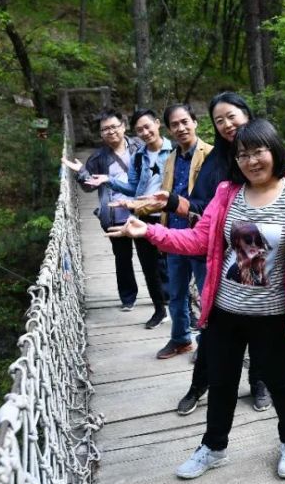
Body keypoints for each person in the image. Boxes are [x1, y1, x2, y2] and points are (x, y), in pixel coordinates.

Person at [108, 119, 285, 481]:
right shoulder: (227, 194)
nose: (251, 161)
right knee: (221, 382)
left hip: (273, 314)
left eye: (258, 152)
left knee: (281, 383)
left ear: (275, 151)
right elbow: (197, 241)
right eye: (243, 154)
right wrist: (151, 231)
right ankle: (214, 447)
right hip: (225, 311)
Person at [139, 91, 267, 415]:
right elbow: (199, 206)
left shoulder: (267, 144)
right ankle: (200, 385)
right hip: (222, 249)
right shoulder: (217, 160)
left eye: (231, 116)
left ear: (246, 112)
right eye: (219, 120)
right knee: (214, 324)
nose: (226, 124)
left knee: (260, 320)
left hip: (257, 246)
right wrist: (169, 202)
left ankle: (259, 383)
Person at [61, 109, 144, 311]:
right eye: (105, 129)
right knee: (122, 258)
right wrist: (81, 172)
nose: (110, 131)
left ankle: (165, 294)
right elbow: (89, 187)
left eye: (114, 127)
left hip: (143, 210)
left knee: (152, 256)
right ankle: (128, 298)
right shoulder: (98, 157)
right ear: (100, 134)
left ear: (123, 126)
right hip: (115, 215)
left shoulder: (140, 147)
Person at [153, 104, 212, 360]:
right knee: (176, 293)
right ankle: (180, 339)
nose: (181, 128)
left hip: (200, 236)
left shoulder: (211, 155)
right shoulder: (170, 159)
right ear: (169, 129)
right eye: (175, 124)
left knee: (206, 293)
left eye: (185, 122)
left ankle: (208, 343)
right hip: (175, 236)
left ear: (195, 122)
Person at [105, 108, 173, 328]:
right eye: (139, 130)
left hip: (170, 216)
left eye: (147, 126)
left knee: (175, 265)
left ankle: (183, 310)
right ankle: (159, 310)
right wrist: (109, 181)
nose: (144, 132)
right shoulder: (138, 156)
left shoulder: (175, 151)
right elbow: (133, 187)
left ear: (156, 123)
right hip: (143, 216)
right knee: (149, 266)